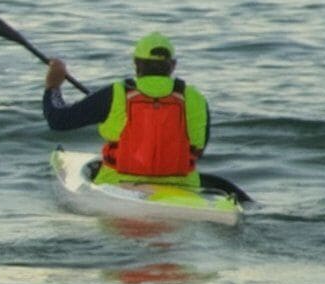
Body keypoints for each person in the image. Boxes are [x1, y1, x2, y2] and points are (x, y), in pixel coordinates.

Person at [43, 32, 212, 183]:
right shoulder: (196, 98)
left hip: (118, 184)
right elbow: (199, 149)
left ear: (136, 63)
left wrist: (53, 86)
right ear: (173, 65)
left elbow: (58, 120)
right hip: (183, 187)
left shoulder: (116, 93)